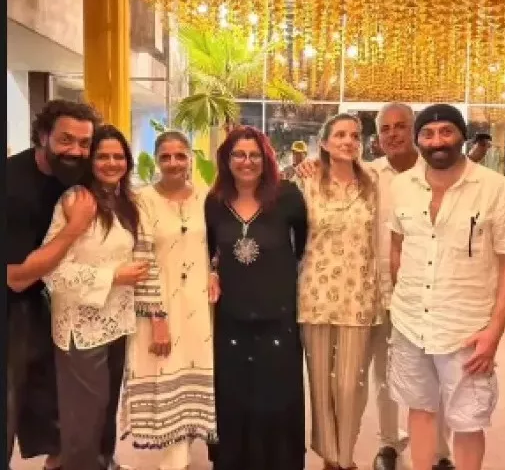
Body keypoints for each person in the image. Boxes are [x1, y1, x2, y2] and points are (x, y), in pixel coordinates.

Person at [295, 103, 454, 470]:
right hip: (319, 296)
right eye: (386, 128)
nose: (393, 134)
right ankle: (344, 456)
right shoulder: (349, 176)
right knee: (328, 384)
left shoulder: (393, 177)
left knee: (399, 377)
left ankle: (438, 453)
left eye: (354, 135)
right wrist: (309, 165)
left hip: (386, 293)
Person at [388, 104, 505, 470]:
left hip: (467, 328)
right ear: (418, 140)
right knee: (419, 408)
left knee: (468, 420)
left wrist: (494, 331)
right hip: (409, 323)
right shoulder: (401, 186)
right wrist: (399, 302)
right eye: (428, 134)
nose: (437, 141)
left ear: (462, 136)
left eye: (446, 132)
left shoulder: (496, 188)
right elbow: (397, 247)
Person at [38, 125, 161, 470]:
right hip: (81, 326)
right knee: (84, 414)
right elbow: (52, 270)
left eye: (118, 156)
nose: (111, 163)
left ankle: (104, 462)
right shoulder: (76, 200)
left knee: (106, 408)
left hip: (117, 321)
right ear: (90, 161)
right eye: (102, 156)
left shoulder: (124, 202)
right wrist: (113, 277)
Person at [205, 126, 308, 470]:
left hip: (278, 316)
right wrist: (212, 271)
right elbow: (208, 251)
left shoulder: (287, 196)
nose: (246, 162)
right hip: (231, 317)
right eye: (238, 154)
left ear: (266, 159)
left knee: (277, 395)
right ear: (226, 159)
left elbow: (303, 246)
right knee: (234, 394)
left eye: (254, 155)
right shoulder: (215, 202)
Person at [6, 100, 100, 470]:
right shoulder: (13, 184)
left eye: (84, 142)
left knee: (52, 407)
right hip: (13, 302)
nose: (75, 150)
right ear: (43, 136)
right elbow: (16, 278)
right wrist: (74, 227)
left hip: (48, 301)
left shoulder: (74, 173)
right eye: (65, 140)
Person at [120, 131, 217, 469]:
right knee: (166, 374)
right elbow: (140, 259)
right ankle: (172, 463)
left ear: (191, 158)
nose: (173, 163)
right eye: (165, 156)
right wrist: (157, 318)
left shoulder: (207, 197)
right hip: (160, 306)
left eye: (180, 155)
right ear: (157, 160)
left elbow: (217, 246)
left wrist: (216, 271)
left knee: (193, 374)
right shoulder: (142, 200)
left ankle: (182, 456)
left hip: (200, 307)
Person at [296, 112, 382, 470]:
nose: (348, 141)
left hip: (359, 297)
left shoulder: (373, 183)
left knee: (349, 386)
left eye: (355, 136)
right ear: (325, 143)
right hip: (314, 295)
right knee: (319, 385)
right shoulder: (307, 182)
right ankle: (330, 458)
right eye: (340, 135)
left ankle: (345, 457)